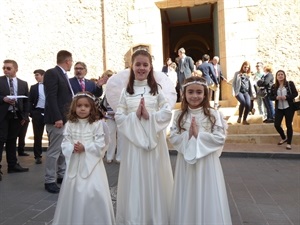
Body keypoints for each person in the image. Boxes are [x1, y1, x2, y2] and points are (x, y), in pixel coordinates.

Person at [115, 49, 174, 224]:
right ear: (131, 67)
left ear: (150, 67)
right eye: (138, 64)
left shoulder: (157, 90)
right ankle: (136, 217)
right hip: (134, 144)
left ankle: (155, 216)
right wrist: (134, 117)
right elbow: (119, 116)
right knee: (136, 179)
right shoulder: (126, 91)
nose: (141, 68)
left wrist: (150, 117)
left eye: (145, 64)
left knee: (155, 178)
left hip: (154, 143)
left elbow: (166, 112)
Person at [169, 76, 232, 225]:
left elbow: (219, 138)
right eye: (190, 92)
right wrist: (187, 136)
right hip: (186, 163)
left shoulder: (213, 114)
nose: (195, 96)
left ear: (205, 94)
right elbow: (173, 137)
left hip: (207, 163)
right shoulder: (178, 115)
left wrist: (199, 136)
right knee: (188, 193)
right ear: (184, 94)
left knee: (207, 193)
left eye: (199, 92)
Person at [52, 91, 115, 225]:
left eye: (86, 106)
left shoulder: (97, 124)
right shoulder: (70, 124)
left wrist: (85, 147)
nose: (82, 108)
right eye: (79, 105)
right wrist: (72, 148)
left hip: (92, 166)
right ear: (74, 107)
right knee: (73, 192)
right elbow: (65, 142)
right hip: (75, 163)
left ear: (92, 108)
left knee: (93, 191)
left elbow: (100, 143)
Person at [43, 50, 74, 193]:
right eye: (71, 61)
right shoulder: (52, 73)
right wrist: (57, 117)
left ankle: (61, 175)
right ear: (68, 61)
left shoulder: (63, 74)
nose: (71, 64)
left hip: (65, 119)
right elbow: (51, 97)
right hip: (57, 120)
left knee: (63, 149)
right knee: (54, 151)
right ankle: (49, 180)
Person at [0, 59, 29, 181]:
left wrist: (25, 116)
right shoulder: (0, 81)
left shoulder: (23, 83)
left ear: (15, 69)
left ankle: (12, 165)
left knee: (12, 141)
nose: (5, 70)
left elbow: (26, 100)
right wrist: (3, 99)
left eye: (8, 68)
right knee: (1, 140)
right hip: (2, 115)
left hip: (16, 116)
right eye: (4, 68)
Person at [269, 70, 298, 150]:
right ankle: (284, 137)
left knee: (289, 125)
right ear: (276, 77)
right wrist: (276, 97)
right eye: (279, 74)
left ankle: (289, 143)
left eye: (282, 74)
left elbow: (295, 94)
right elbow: (270, 97)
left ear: (284, 76)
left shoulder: (290, 84)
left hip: (289, 107)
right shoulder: (274, 86)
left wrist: (287, 97)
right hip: (279, 108)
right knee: (277, 124)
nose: (280, 76)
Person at [99, 70, 121, 163]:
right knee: (110, 136)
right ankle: (109, 156)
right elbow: (104, 103)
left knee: (121, 137)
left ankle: (120, 157)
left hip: (120, 116)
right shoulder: (107, 90)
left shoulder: (121, 89)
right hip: (110, 116)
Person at [29, 69, 46, 164]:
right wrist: (32, 112)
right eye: (35, 75)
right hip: (37, 112)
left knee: (51, 134)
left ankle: (53, 153)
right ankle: (37, 156)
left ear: (43, 75)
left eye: (37, 75)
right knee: (37, 135)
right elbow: (30, 100)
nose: (36, 77)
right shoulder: (33, 87)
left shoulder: (50, 86)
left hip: (49, 112)